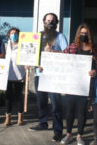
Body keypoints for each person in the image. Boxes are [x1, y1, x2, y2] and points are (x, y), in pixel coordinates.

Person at [29, 13, 68, 142]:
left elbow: (67, 54)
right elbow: (31, 53)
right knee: (41, 102)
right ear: (43, 22)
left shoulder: (60, 36)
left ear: (56, 22)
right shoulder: (38, 36)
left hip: (54, 76)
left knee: (56, 104)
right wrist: (32, 63)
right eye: (47, 20)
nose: (49, 22)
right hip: (39, 74)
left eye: (52, 21)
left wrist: (53, 52)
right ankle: (43, 123)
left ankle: (58, 130)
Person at [60, 23, 97, 145]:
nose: (83, 35)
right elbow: (60, 57)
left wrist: (95, 71)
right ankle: (69, 134)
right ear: (78, 34)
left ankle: (79, 135)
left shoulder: (93, 49)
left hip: (85, 86)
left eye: (86, 33)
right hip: (72, 85)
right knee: (69, 111)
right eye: (81, 33)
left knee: (82, 112)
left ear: (89, 34)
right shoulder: (72, 47)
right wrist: (50, 53)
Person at [4, 27, 26, 126]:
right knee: (8, 98)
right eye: (12, 33)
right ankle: (8, 118)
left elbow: (27, 57)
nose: (14, 35)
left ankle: (20, 118)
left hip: (19, 75)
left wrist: (28, 64)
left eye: (16, 33)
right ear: (9, 34)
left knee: (18, 98)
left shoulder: (23, 45)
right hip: (7, 75)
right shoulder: (6, 45)